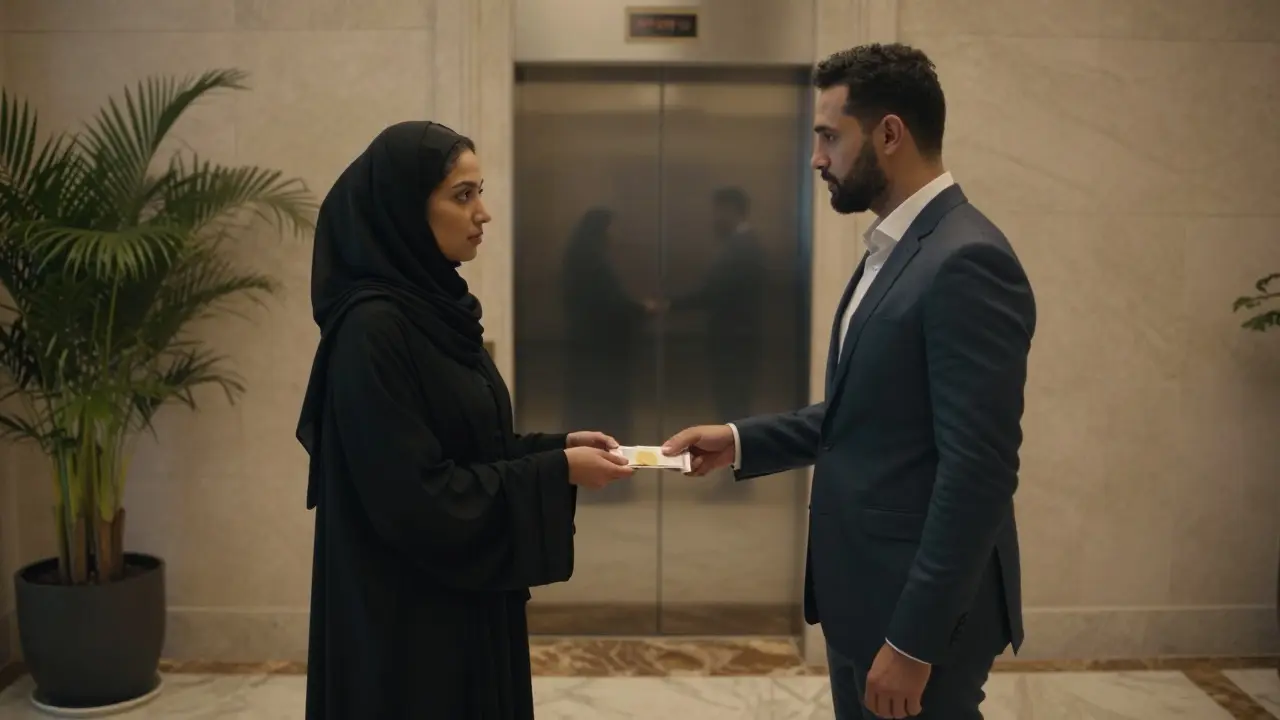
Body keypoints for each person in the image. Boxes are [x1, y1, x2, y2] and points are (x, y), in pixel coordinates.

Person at [662, 44, 1035, 719]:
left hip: (916, 612)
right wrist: (742, 440)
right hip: (865, 591)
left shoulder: (966, 260)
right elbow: (870, 414)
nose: (817, 158)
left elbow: (978, 471)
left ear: (889, 133)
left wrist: (914, 643)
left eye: (830, 136)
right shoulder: (896, 250)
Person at [294, 121, 634, 719]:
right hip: (408, 624)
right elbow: (416, 495)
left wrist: (559, 448)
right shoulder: (372, 331)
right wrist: (555, 472)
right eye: (462, 195)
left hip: (458, 598)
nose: (484, 213)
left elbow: (471, 446)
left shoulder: (437, 310)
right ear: (404, 209)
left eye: (479, 192)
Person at [667, 187, 767, 424]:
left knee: (733, 404)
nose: (714, 218)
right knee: (731, 403)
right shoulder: (740, 245)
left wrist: (671, 304)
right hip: (734, 339)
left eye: (718, 211)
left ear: (732, 210)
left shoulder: (743, 248)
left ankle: (739, 457)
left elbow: (714, 292)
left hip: (734, 340)